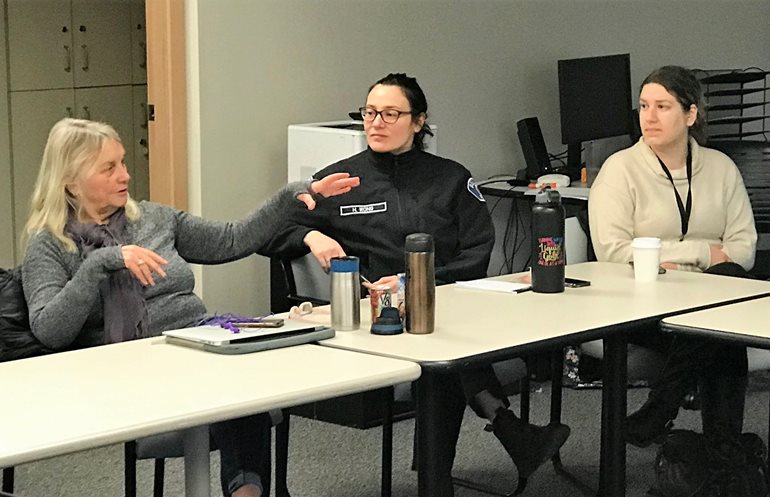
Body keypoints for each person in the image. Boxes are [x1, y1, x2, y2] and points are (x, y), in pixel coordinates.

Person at [21, 118, 359, 497]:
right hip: (130, 370)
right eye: (109, 168)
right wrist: (102, 263)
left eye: (124, 163)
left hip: (197, 341)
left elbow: (232, 240)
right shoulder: (49, 245)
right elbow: (49, 329)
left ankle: (246, 491)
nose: (125, 176)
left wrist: (292, 195)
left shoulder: (153, 218)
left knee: (250, 379)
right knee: (234, 387)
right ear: (70, 180)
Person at [265, 73, 570, 492]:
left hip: (444, 301)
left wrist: (421, 284)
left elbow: (477, 251)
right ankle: (494, 438)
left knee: (443, 347)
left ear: (418, 121)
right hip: (373, 317)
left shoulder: (450, 178)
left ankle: (443, 473)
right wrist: (310, 235)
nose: (376, 123)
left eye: (390, 113)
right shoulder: (338, 180)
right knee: (445, 353)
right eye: (369, 113)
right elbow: (268, 233)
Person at [588, 65, 757, 447]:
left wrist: (669, 257)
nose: (649, 116)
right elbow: (613, 252)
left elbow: (745, 248)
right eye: (644, 105)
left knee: (727, 289)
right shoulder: (620, 171)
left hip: (710, 301)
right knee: (724, 330)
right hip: (643, 305)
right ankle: (724, 455)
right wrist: (703, 252)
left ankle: (661, 409)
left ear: (690, 114)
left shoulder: (721, 168)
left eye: (662, 106)